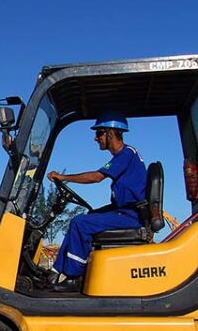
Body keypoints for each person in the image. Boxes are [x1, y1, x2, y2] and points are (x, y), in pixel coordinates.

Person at [45, 111, 146, 292]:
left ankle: (74, 278)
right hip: (125, 211)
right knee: (87, 217)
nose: (95, 138)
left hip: (131, 215)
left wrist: (62, 177)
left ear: (110, 132)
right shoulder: (123, 157)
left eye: (99, 133)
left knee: (80, 223)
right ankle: (55, 271)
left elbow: (96, 177)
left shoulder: (126, 154)